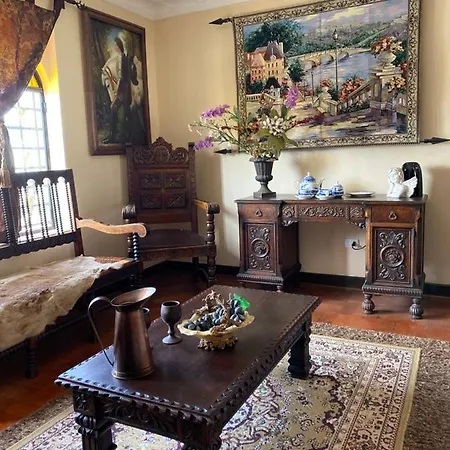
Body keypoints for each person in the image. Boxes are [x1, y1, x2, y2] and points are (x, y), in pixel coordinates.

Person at [103, 37, 137, 144]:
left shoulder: (122, 58)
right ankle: (117, 136)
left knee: (117, 109)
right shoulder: (119, 57)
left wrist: (116, 91)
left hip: (123, 89)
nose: (114, 47)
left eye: (115, 45)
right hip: (123, 89)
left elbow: (122, 76)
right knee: (124, 112)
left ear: (119, 46)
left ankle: (117, 136)